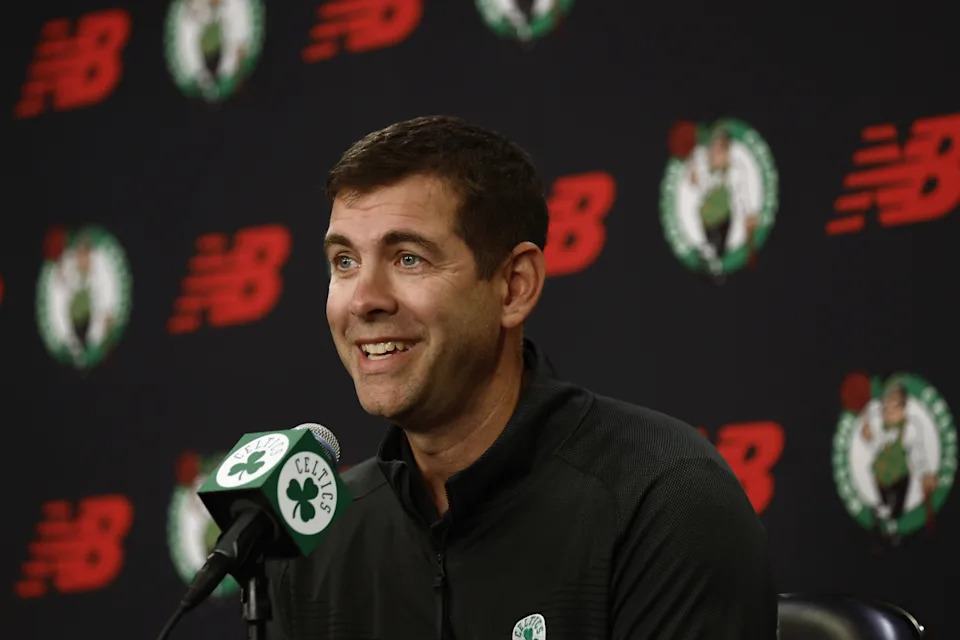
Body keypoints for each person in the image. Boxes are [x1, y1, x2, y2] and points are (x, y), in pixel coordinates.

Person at [266, 115, 777, 639]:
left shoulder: (663, 500)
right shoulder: (316, 541)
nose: (365, 300)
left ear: (514, 286)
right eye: (345, 261)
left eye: (408, 258)